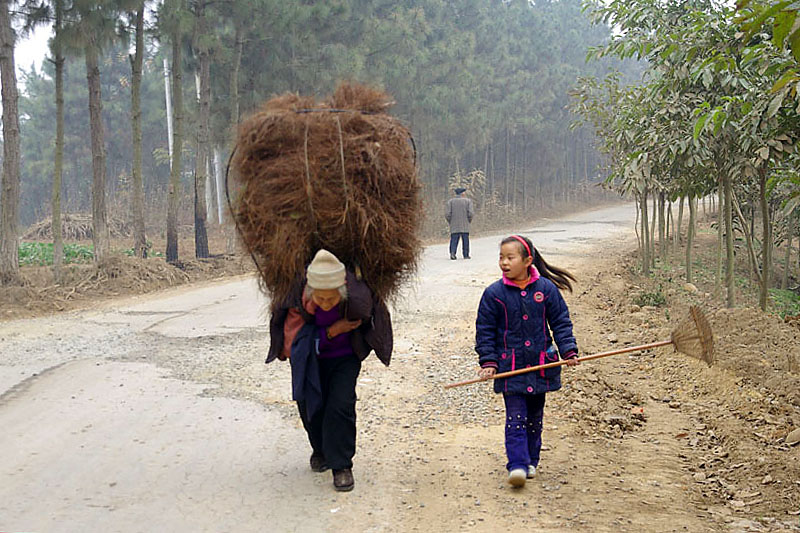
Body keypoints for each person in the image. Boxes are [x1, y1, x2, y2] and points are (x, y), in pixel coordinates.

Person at [266, 249, 392, 492]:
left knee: (340, 405)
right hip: (308, 360)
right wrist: (332, 331)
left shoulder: (356, 299)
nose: (324, 303)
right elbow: (297, 343)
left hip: (344, 358)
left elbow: (373, 321)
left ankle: (342, 466)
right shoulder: (298, 301)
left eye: (331, 299)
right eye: (319, 299)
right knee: (310, 405)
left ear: (342, 290)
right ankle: (321, 449)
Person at [474, 235, 579, 488]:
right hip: (511, 368)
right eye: (501, 257)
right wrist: (489, 361)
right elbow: (485, 331)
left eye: (510, 257)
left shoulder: (546, 290)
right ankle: (517, 464)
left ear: (527, 260)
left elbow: (560, 322)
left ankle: (532, 460)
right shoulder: (494, 294)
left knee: (535, 417)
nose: (504, 262)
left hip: (541, 366)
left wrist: (568, 351)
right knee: (516, 416)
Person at [445, 187, 474, 260]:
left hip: (454, 225)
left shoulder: (450, 202)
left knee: (454, 240)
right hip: (465, 224)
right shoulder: (468, 201)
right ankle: (466, 255)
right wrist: (468, 220)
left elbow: (447, 214)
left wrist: (450, 221)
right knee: (465, 240)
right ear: (462, 193)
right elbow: (470, 213)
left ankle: (452, 253)